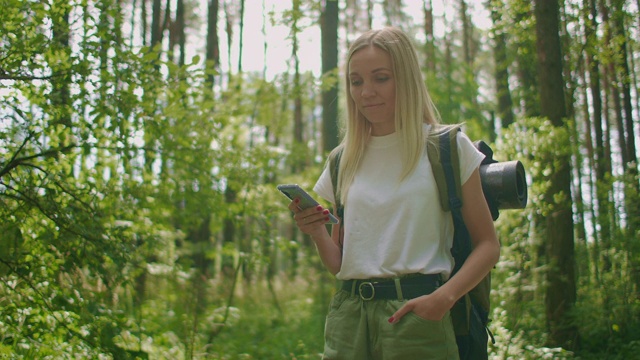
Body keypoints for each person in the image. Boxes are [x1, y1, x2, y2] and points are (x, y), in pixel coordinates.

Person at [287, 27, 500, 360]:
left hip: (417, 316)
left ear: (406, 78)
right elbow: (340, 264)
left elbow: (488, 245)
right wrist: (316, 231)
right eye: (356, 82)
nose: (366, 92)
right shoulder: (343, 159)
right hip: (350, 318)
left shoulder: (447, 147)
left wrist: (445, 298)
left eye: (380, 78)